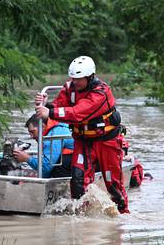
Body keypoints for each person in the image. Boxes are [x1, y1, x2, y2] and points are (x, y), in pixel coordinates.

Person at [34, 56, 129, 213]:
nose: (75, 82)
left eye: (79, 79)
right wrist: (47, 104)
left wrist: (49, 112)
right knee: (78, 180)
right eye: (73, 78)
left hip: (106, 142)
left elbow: (79, 113)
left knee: (113, 184)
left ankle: (122, 218)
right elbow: (60, 106)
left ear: (90, 77)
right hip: (83, 141)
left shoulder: (101, 93)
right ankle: (81, 219)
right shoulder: (70, 88)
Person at [13, 114, 74, 178]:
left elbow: (46, 167)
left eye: (33, 132)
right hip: (75, 164)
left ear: (42, 126)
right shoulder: (55, 130)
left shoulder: (54, 135)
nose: (31, 136)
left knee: (57, 165)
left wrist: (27, 158)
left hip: (75, 167)